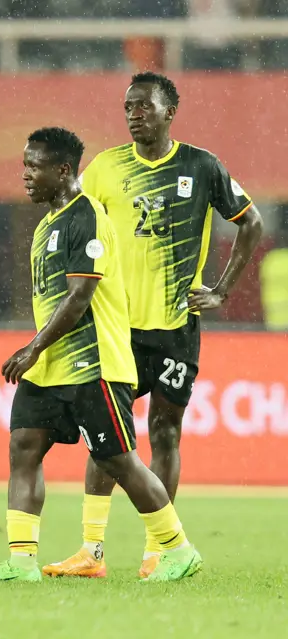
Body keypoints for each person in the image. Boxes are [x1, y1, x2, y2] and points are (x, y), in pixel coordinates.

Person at [44, 72, 264, 579]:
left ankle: (159, 552)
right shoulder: (105, 168)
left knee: (164, 433)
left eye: (144, 105)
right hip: (115, 327)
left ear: (170, 112)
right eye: (128, 106)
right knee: (107, 437)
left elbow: (251, 222)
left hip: (174, 327)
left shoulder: (201, 166)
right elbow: (73, 221)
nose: (134, 114)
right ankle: (91, 552)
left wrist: (222, 290)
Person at [0, 127, 202, 583]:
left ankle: (178, 549)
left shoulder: (87, 217)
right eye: (24, 165)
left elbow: (79, 297)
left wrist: (33, 347)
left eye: (34, 166)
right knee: (24, 446)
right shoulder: (46, 225)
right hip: (51, 367)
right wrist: (40, 353)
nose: (25, 175)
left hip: (94, 364)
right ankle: (21, 563)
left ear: (62, 170)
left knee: (118, 460)